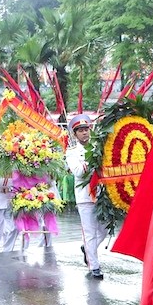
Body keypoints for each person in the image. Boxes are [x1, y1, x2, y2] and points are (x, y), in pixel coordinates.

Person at [65, 113, 108, 279]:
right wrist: (91, 160)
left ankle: (88, 249)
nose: (84, 133)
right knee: (89, 232)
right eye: (80, 130)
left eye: (86, 129)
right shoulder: (72, 152)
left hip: (100, 195)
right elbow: (78, 172)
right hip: (84, 197)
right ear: (75, 134)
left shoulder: (98, 146)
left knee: (104, 231)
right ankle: (94, 266)